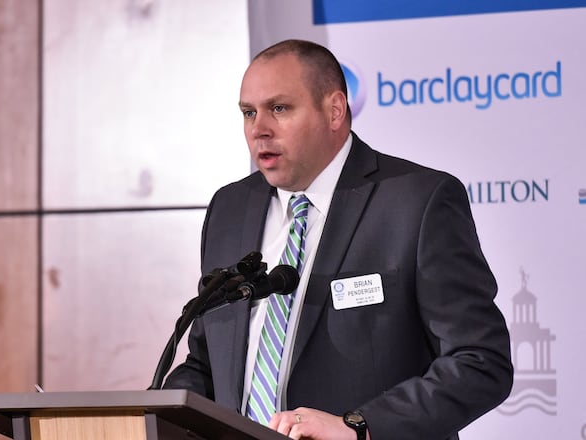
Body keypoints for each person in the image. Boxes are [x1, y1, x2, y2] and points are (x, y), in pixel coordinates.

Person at [163, 39, 513, 440]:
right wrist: (153, 413)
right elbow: (208, 364)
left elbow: (480, 362)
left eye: (279, 108)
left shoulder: (417, 202)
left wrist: (360, 427)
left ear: (334, 111)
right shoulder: (229, 209)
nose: (259, 129)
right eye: (248, 112)